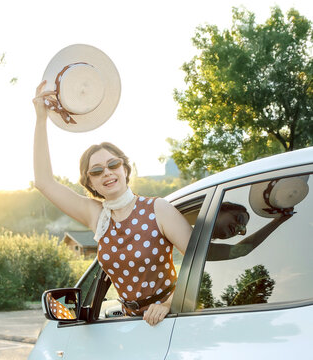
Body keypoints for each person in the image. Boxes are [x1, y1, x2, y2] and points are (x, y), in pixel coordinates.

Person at [32, 81, 192, 326]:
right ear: (90, 183)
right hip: (128, 323)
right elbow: (44, 182)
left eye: (113, 164)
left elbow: (201, 262)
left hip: (172, 318)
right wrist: (41, 117)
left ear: (125, 169)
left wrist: (168, 304)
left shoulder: (157, 209)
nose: (106, 173)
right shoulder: (96, 215)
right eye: (96, 171)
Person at [207, 202, 292, 261]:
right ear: (221, 209)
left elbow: (240, 250)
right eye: (239, 218)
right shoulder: (193, 233)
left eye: (241, 230)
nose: (238, 228)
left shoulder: (201, 249)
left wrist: (278, 221)